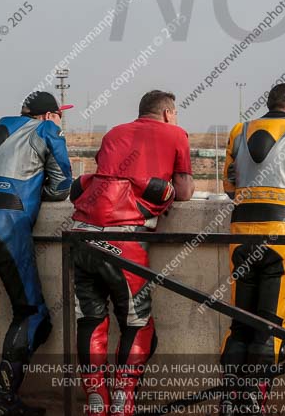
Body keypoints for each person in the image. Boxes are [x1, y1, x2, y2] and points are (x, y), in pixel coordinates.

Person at [70, 90, 194, 416]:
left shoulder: (114, 133)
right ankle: (123, 401)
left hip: (82, 233)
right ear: (168, 113)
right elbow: (184, 191)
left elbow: (104, 178)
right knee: (138, 325)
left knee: (90, 320)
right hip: (125, 237)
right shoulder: (176, 134)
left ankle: (97, 400)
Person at [0, 91, 73, 416]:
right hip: (7, 226)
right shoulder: (46, 130)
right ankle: (5, 399)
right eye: (60, 115)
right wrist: (34, 191)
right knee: (32, 314)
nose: (61, 120)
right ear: (48, 115)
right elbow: (61, 188)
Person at [219, 83, 285, 415]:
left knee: (239, 322)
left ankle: (229, 398)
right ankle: (253, 400)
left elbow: (229, 186)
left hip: (240, 235)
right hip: (282, 237)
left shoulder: (239, 130)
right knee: (270, 323)